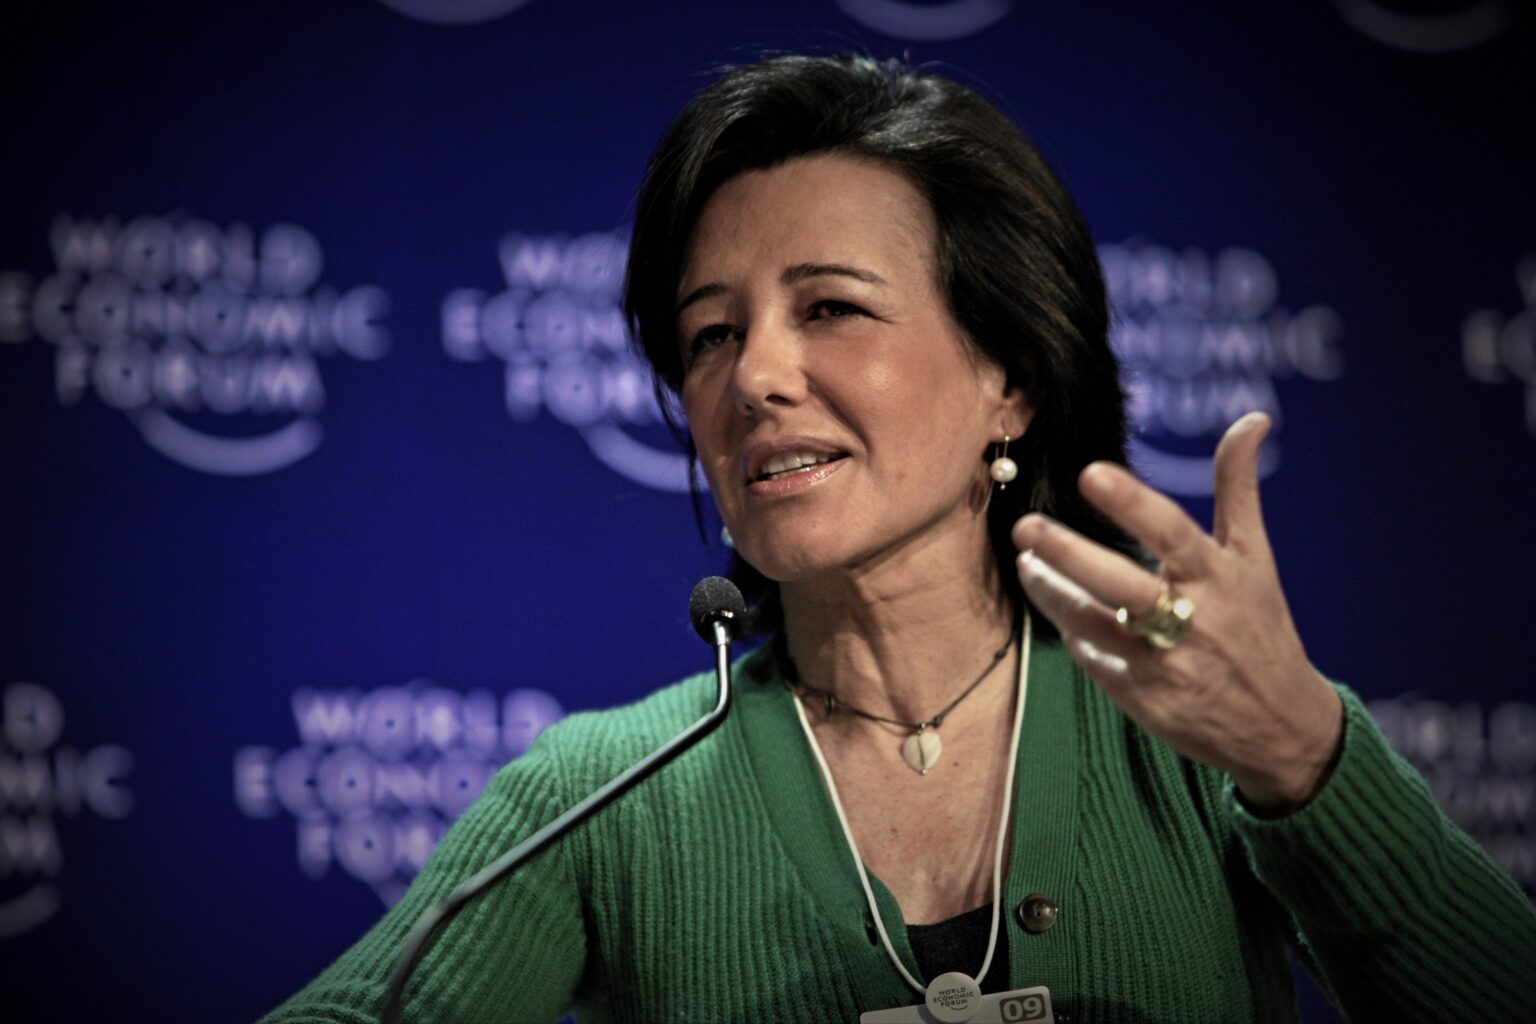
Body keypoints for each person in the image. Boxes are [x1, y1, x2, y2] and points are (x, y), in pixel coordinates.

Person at [261, 54, 1535, 1023]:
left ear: (1008, 379)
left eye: (829, 307)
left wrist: (1304, 754)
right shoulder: (602, 795)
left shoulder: (1198, 731)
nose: (754, 375)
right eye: (710, 334)